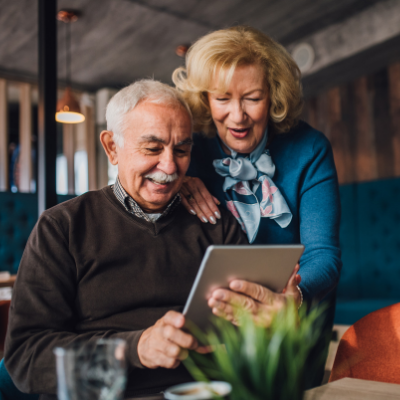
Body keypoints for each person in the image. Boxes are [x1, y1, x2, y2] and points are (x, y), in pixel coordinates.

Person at [4, 80, 251, 400]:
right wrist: (135, 349)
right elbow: (26, 358)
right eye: (152, 148)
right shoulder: (61, 228)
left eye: (181, 150)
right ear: (111, 148)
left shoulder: (216, 224)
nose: (170, 167)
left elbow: (249, 335)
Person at [173, 26, 342, 386]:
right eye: (222, 99)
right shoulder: (188, 150)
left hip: (288, 328)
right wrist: (177, 181)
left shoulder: (309, 149)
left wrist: (295, 300)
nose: (238, 116)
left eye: (252, 98)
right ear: (204, 98)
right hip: (210, 330)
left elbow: (323, 254)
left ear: (274, 95)